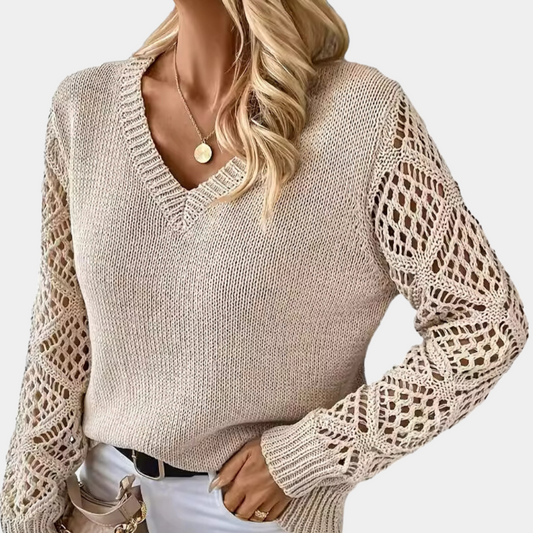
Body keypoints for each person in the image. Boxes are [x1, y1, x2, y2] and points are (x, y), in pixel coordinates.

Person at [0, 0, 529, 532]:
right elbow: (61, 337)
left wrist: (310, 453)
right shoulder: (84, 107)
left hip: (252, 515)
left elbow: (487, 323)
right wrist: (26, 513)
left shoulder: (364, 119)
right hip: (101, 504)